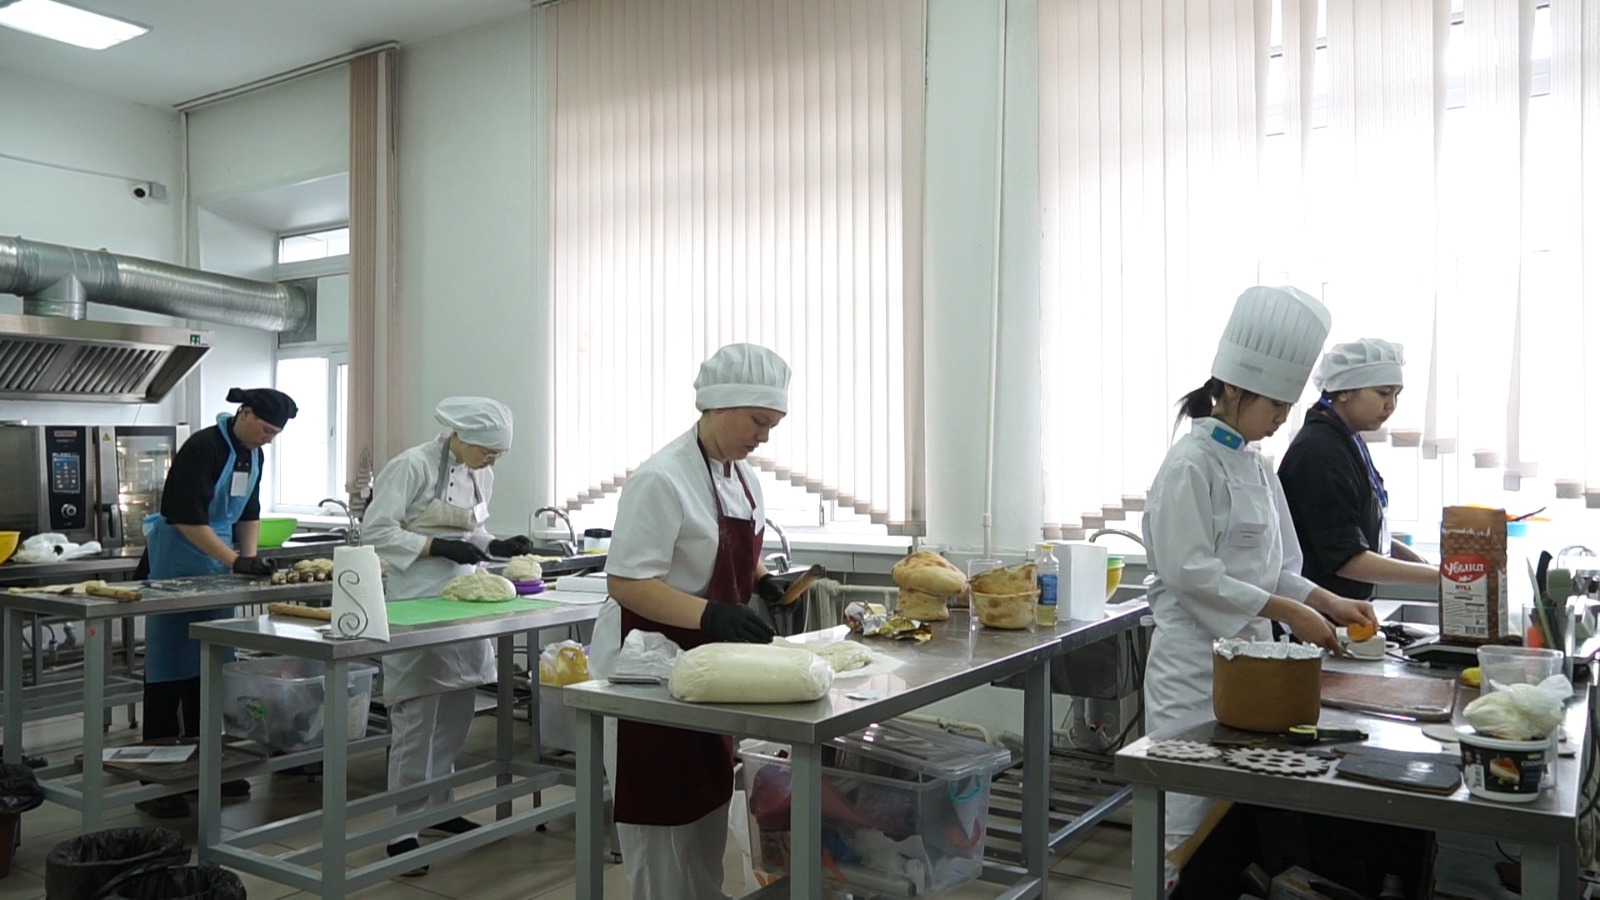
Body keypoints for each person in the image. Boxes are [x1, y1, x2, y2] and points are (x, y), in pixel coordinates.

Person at [1140, 287, 1378, 889]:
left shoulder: (1258, 466)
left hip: (1251, 671)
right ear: (1233, 390)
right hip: (1192, 672)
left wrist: (1325, 601)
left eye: (1287, 406)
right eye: (1274, 404)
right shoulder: (1189, 465)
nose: (1281, 418)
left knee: (1231, 822)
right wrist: (1289, 613)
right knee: (1185, 819)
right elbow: (1191, 574)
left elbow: (1276, 568)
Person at [597, 343, 788, 900]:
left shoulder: (744, 477)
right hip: (646, 667)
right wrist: (711, 612)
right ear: (719, 405)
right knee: (661, 814)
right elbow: (628, 582)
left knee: (706, 800)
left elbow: (727, 551)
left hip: (705, 664)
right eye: (758, 421)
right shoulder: (663, 478)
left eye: (773, 425)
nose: (764, 437)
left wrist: (763, 580)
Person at [361, 396, 539, 875]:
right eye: (487, 452)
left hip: (464, 597)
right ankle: (402, 829)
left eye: (499, 455)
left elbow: (472, 531)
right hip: (415, 598)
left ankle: (440, 805)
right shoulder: (412, 466)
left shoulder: (481, 473)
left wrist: (495, 544)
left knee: (460, 704)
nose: (492, 461)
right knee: (417, 714)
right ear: (461, 436)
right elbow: (375, 531)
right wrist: (434, 546)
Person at [135, 386, 298, 819]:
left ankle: (206, 769)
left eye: (275, 434)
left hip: (217, 571)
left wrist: (248, 560)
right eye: (266, 430)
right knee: (168, 676)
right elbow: (185, 517)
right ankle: (157, 782)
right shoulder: (203, 447)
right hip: (176, 566)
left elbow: (249, 512)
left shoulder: (253, 455)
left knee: (210, 670)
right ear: (244, 413)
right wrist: (234, 560)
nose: (268, 439)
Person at [1279, 339, 1439, 599]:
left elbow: (1356, 531)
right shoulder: (1319, 452)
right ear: (1344, 391)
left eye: (1396, 395)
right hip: (1318, 609)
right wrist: (1440, 577)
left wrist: (1420, 562)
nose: (1391, 405)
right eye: (1383, 393)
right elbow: (1346, 559)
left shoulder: (1346, 439)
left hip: (1343, 607)